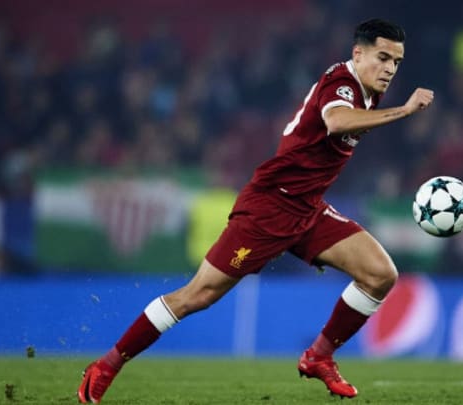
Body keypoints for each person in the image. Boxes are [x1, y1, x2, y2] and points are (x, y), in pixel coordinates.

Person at [77, 18, 434, 403]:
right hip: (270, 206)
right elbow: (335, 121)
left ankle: (319, 357)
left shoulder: (367, 90)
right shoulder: (342, 84)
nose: (389, 69)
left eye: (396, 62)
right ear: (358, 53)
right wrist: (405, 111)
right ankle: (107, 365)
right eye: (382, 58)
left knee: (380, 274)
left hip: (308, 208)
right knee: (197, 295)